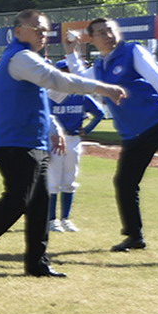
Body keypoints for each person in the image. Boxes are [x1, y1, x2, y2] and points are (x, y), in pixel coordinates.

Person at [0, 10, 125, 279]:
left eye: (46, 30)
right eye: (36, 29)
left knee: (39, 205)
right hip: (15, 142)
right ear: (18, 31)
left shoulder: (27, 58)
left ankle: (37, 262)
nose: (43, 34)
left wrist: (54, 128)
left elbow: (41, 101)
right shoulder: (20, 57)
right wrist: (102, 88)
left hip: (32, 142)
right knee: (18, 199)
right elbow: (58, 80)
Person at [66, 18, 158, 251]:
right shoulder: (100, 67)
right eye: (100, 32)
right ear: (92, 39)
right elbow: (80, 80)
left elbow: (156, 76)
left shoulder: (132, 51)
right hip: (134, 135)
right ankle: (134, 236)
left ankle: (134, 236)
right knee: (125, 183)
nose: (107, 35)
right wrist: (70, 52)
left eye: (110, 30)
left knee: (125, 183)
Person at [47, 59, 106, 232]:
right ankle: (51, 220)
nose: (67, 74)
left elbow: (99, 113)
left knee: (70, 179)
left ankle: (65, 219)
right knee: (53, 180)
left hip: (73, 139)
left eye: (69, 71)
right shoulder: (50, 95)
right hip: (54, 140)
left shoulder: (80, 96)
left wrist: (87, 129)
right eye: (63, 71)